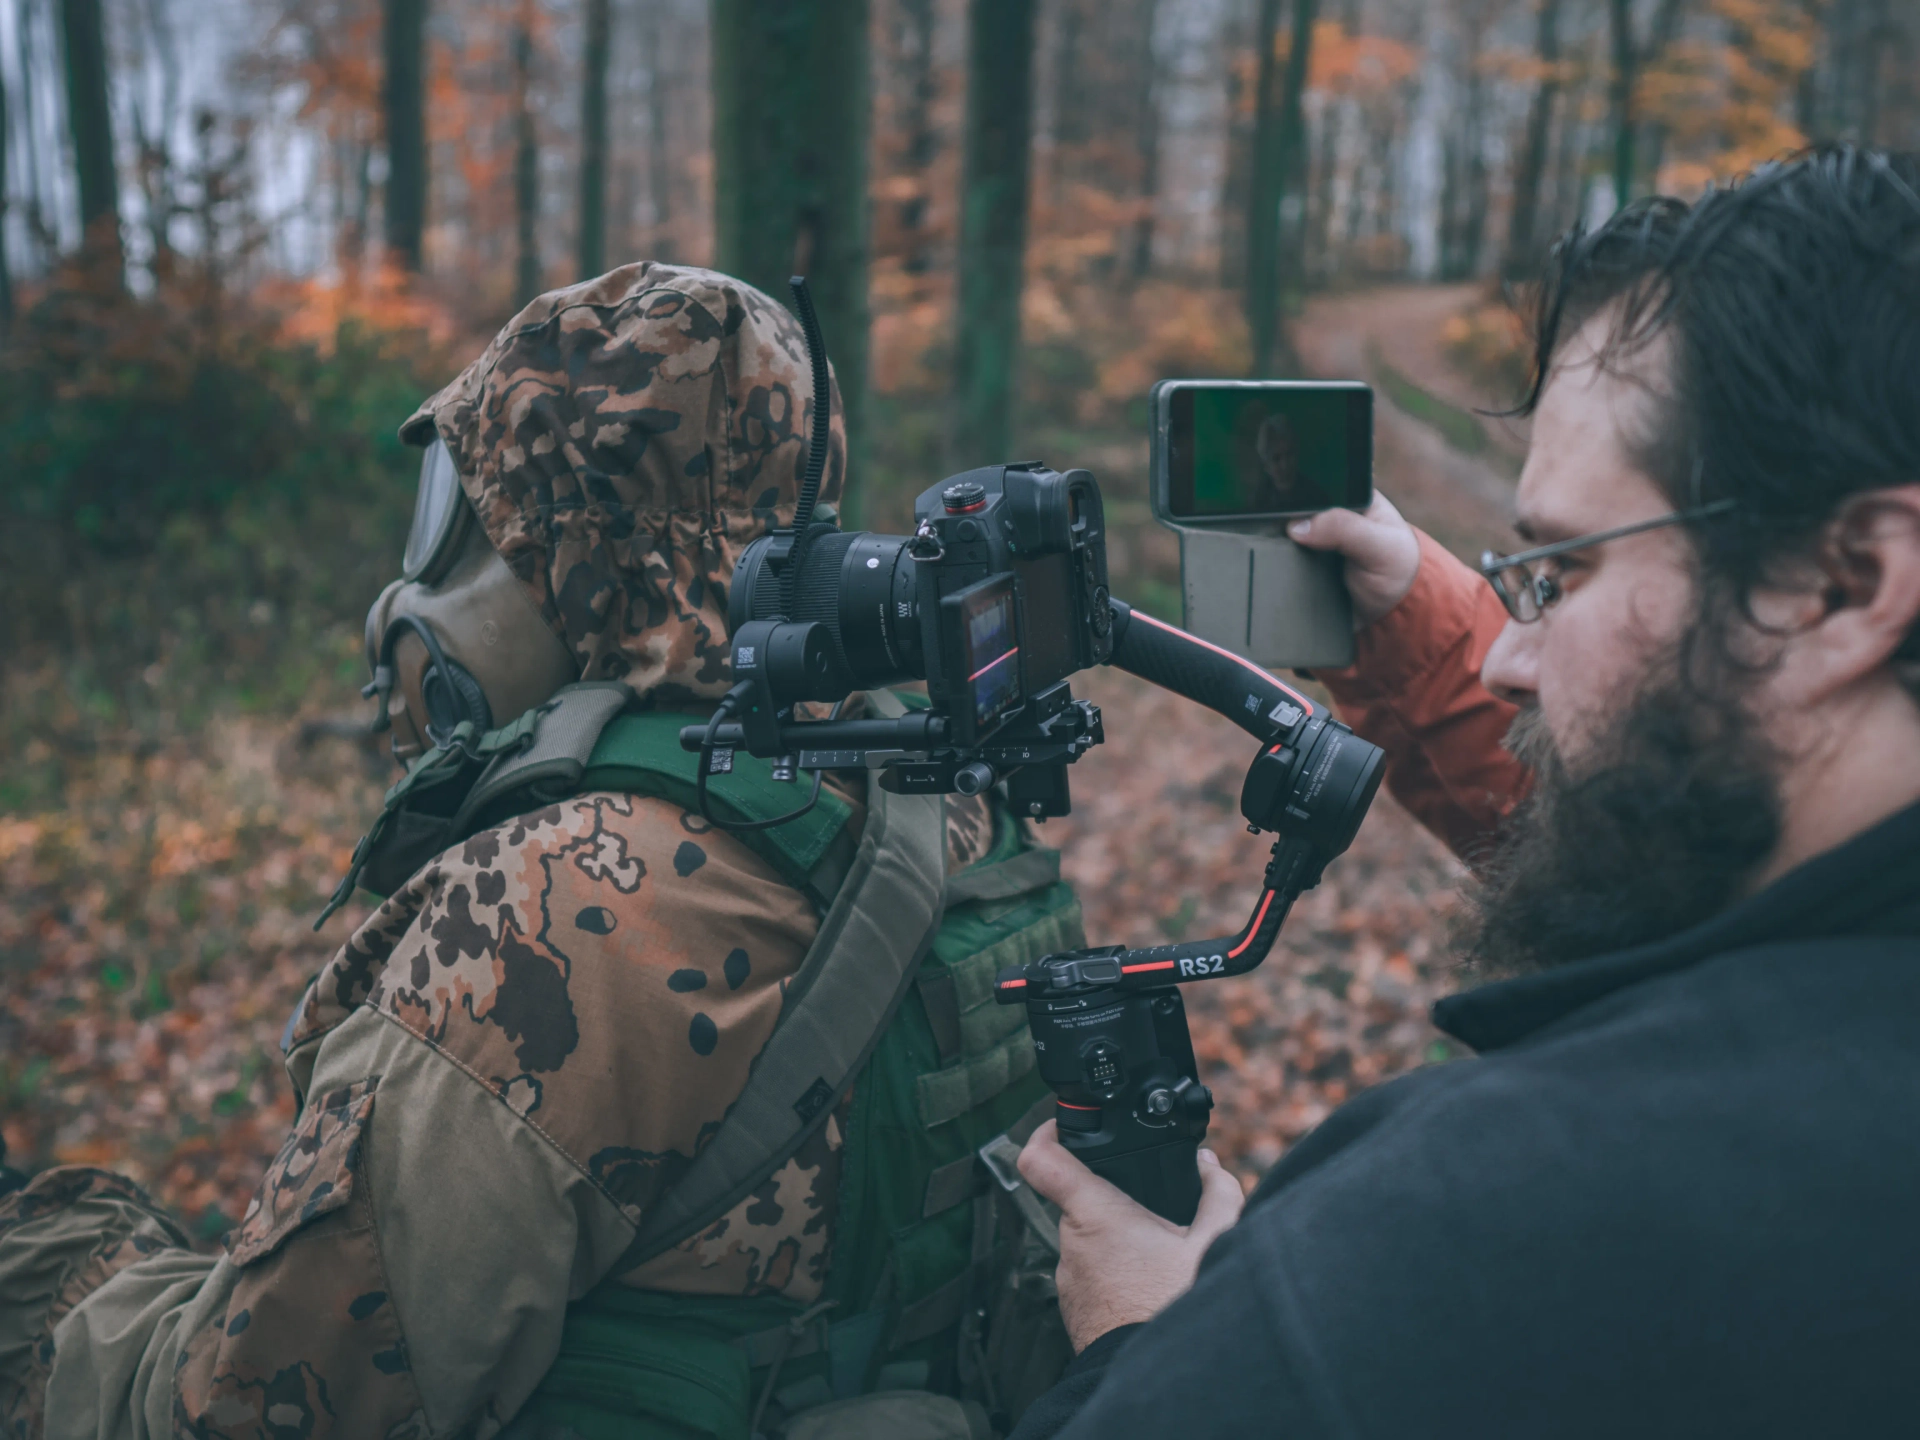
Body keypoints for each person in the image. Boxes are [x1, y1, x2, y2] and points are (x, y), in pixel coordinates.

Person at [0, 264, 1080, 1439]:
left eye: (462, 521)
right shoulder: (937, 789)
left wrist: (60, 1263)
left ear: (569, 546)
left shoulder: (552, 911)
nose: (416, 588)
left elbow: (247, 1410)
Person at [1010, 145, 1920, 1438]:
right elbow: (1687, 835)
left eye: (1562, 573)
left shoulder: (1473, 1239)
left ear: (1848, 583)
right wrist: (1410, 614)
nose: (1507, 649)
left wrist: (1160, 1356)